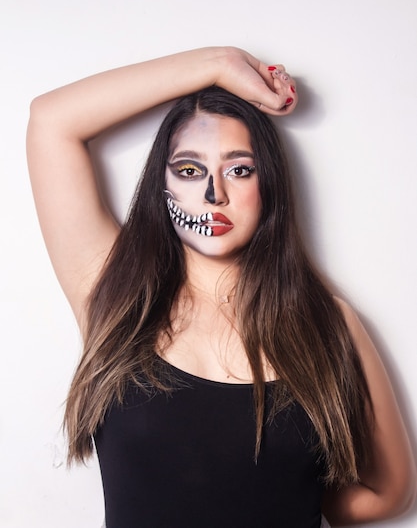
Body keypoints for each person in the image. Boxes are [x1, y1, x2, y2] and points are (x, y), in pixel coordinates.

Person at [27, 47, 416, 528]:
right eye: (190, 170)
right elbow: (51, 121)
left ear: (267, 183)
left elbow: (392, 492)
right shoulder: (118, 294)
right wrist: (219, 64)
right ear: (161, 184)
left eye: (239, 169)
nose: (215, 194)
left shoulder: (327, 323)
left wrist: (294, 499)